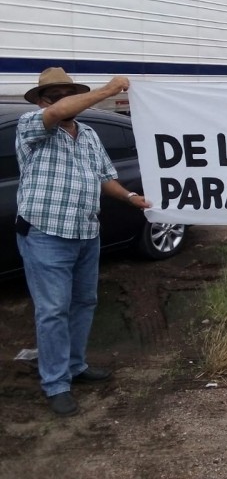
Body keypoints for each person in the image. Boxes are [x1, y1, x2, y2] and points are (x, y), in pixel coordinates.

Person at [16, 67, 150, 416]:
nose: (62, 101)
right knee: (53, 310)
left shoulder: (88, 134)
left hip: (86, 232)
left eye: (67, 93)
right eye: (54, 96)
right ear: (43, 101)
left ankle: (75, 365)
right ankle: (56, 383)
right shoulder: (32, 125)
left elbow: (105, 177)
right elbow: (61, 112)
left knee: (83, 302)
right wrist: (108, 90)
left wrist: (132, 197)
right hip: (46, 233)